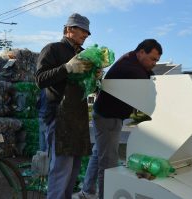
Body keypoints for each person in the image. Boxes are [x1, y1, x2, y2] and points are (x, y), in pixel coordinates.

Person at [78, 39, 162, 199]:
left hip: (106, 115)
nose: (154, 63)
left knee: (98, 154)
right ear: (142, 52)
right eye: (153, 59)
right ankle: (104, 196)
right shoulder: (131, 67)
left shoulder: (131, 60)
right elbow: (147, 83)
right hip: (108, 117)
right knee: (108, 163)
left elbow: (148, 76)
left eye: (157, 60)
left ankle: (87, 190)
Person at [35, 13, 94, 199]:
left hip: (78, 116)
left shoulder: (82, 55)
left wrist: (95, 76)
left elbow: (85, 85)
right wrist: (66, 68)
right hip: (59, 116)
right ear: (69, 29)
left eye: (87, 32)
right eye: (82, 30)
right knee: (61, 169)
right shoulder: (53, 49)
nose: (86, 35)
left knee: (74, 169)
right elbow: (40, 79)